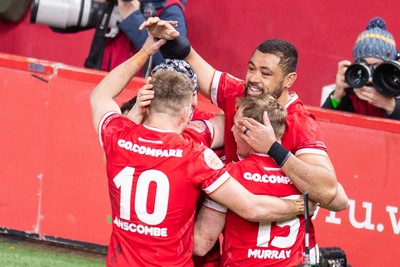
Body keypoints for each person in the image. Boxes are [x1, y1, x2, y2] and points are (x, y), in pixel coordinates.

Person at [90, 31, 307, 266]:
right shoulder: (196, 156)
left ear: (147, 101)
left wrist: (145, 52)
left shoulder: (118, 136)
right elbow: (251, 207)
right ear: (187, 111)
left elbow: (100, 95)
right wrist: (301, 205)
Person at [140, 18, 342, 264]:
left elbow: (332, 193)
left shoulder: (300, 123)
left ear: (289, 80)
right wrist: (171, 39)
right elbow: (193, 61)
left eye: (265, 73)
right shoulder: (240, 94)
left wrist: (273, 149)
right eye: (251, 68)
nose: (254, 78)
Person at [194, 94, 348, 266]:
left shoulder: (229, 175)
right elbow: (341, 200)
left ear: (249, 132)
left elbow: (203, 242)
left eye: (236, 125)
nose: (230, 131)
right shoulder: (302, 177)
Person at [321, 16, 400, 120]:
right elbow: (324, 126)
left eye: (377, 66)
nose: (371, 72)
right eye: (365, 65)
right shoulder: (353, 91)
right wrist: (337, 96)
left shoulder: (396, 84)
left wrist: (391, 106)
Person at [103, 0, 187, 73]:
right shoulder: (115, 3)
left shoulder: (171, 9)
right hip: (105, 78)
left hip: (142, 86)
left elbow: (173, 66)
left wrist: (132, 18)